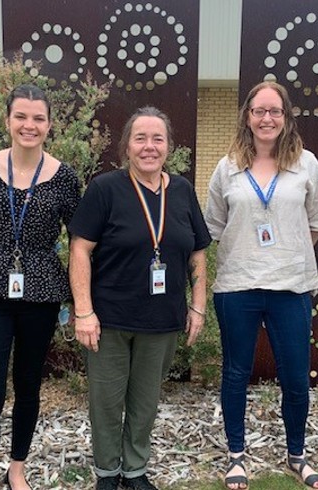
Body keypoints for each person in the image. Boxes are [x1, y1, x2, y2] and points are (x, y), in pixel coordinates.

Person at [69, 106, 211, 490]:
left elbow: (197, 252)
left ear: (169, 145)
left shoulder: (180, 190)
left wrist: (197, 305)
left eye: (158, 138)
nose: (149, 147)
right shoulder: (105, 188)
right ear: (127, 146)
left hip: (162, 319)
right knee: (107, 402)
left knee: (145, 402)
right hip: (109, 320)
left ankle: (134, 471)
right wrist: (83, 312)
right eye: (141, 138)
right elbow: (80, 248)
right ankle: (106, 472)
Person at [205, 81, 318, 490]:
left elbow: (315, 223)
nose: (267, 119)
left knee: (295, 377)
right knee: (236, 374)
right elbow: (216, 227)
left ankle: (297, 455)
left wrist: (285, 253)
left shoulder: (306, 164)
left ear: (287, 116)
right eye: (259, 111)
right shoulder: (227, 167)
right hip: (238, 285)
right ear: (247, 115)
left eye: (275, 111)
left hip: (291, 286)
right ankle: (237, 456)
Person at [0, 84, 81, 490]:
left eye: (38, 118)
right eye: (21, 116)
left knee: (28, 383)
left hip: (41, 290)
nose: (29, 125)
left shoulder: (64, 177)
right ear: (7, 120)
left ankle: (17, 466)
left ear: (49, 124)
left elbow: (81, 238)